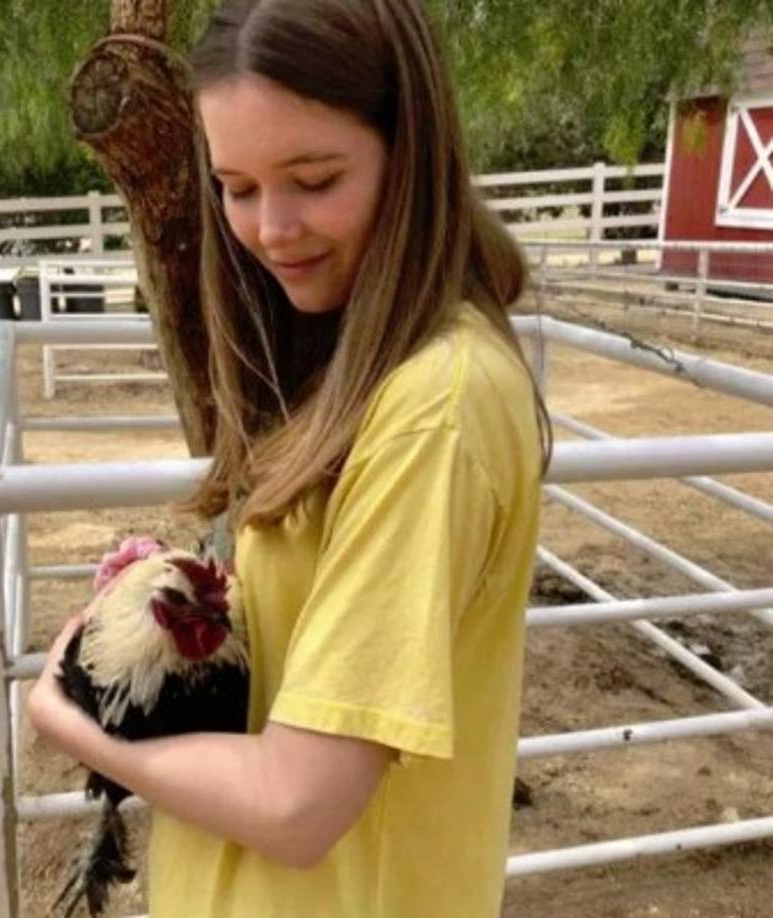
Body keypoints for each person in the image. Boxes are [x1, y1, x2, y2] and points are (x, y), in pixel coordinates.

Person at [28, 1, 551, 916]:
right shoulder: (352, 362)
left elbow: (299, 801)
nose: (272, 230)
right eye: (236, 186)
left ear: (411, 152)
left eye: (313, 179)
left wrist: (73, 721)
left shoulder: (437, 407)